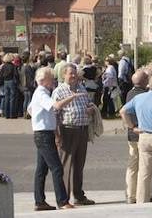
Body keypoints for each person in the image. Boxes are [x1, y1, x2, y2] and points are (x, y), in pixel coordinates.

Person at [29, 67, 83, 211]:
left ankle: (40, 201)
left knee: (41, 169)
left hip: (44, 133)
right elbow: (57, 105)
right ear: (43, 80)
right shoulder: (41, 93)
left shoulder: (41, 93)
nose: (53, 79)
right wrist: (72, 97)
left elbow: (30, 109)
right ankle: (62, 201)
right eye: (51, 77)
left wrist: (40, 119)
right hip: (43, 134)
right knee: (57, 168)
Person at [120, 74, 152, 204]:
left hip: (143, 135)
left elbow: (123, 111)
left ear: (149, 85)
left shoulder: (138, 98)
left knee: (144, 172)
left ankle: (142, 200)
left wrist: (132, 127)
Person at [52, 63, 95, 206]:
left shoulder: (81, 88)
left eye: (75, 73)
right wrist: (57, 134)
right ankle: (64, 198)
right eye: (71, 73)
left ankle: (78, 195)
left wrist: (90, 109)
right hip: (67, 129)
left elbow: (89, 103)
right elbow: (54, 113)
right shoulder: (59, 91)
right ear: (64, 74)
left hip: (82, 129)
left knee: (79, 164)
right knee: (66, 164)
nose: (74, 76)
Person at [124, 70, 149, 204]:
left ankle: (131, 194)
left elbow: (124, 111)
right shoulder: (144, 95)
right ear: (144, 81)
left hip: (132, 134)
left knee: (133, 165)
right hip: (142, 131)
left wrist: (131, 127)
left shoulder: (129, 93)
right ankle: (141, 193)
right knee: (144, 165)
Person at [0, 53, 19, 119]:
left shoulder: (3, 66)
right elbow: (16, 74)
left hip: (5, 82)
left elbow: (1, 74)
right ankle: (12, 114)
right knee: (12, 98)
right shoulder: (13, 66)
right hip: (11, 81)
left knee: (6, 97)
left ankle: (6, 114)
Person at [22, 52, 37, 119]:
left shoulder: (22, 66)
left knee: (26, 100)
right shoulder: (28, 67)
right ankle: (28, 113)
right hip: (28, 85)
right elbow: (30, 77)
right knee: (29, 100)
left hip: (24, 85)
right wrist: (32, 84)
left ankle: (25, 112)